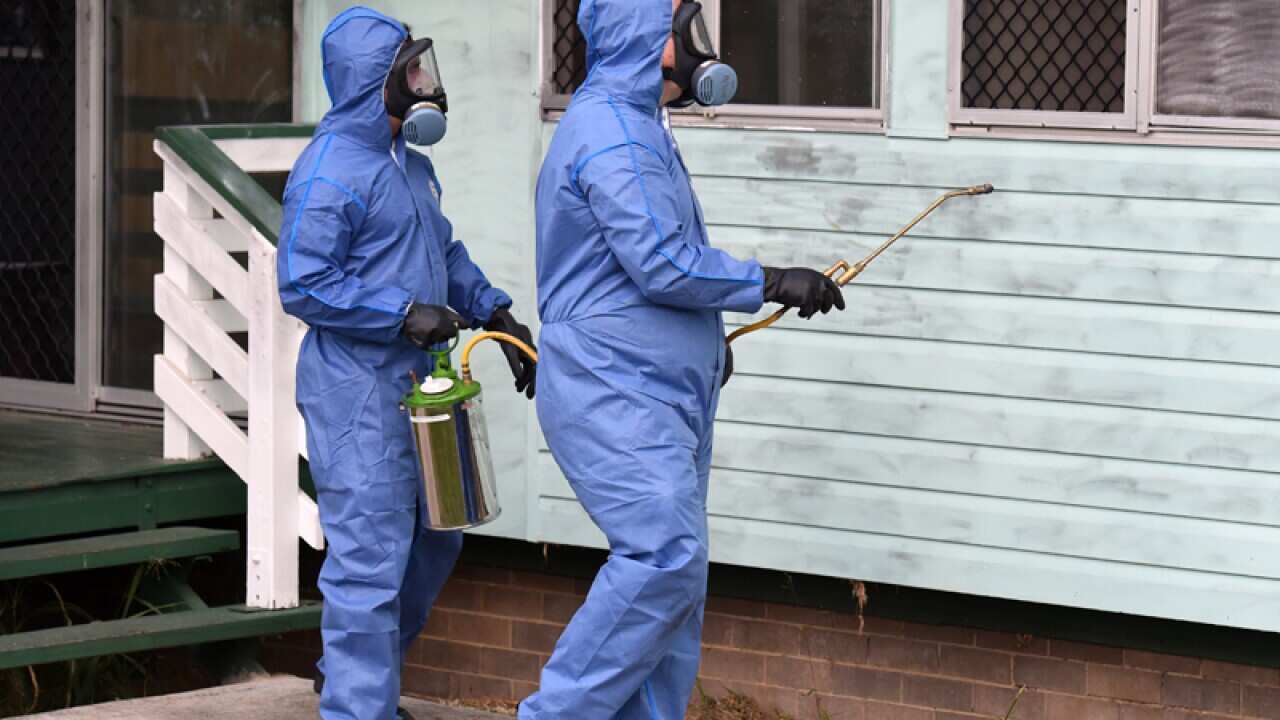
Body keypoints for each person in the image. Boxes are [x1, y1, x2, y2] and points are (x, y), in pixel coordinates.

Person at [520, 0, 845, 717]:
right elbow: (660, 263)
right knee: (662, 558)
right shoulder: (610, 134)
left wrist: (703, 348)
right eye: (686, 27)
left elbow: (637, 275)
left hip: (658, 388)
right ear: (648, 38)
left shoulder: (641, 129)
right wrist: (766, 281)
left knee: (677, 584)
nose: (701, 44)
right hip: (614, 388)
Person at [277, 7, 535, 720]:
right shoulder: (328, 173)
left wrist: (493, 309)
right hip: (357, 394)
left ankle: (356, 681)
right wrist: (398, 313)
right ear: (375, 82)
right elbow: (303, 282)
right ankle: (360, 709)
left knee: (435, 540)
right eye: (411, 71)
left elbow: (443, 254)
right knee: (370, 559)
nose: (426, 83)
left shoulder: (411, 167)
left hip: (426, 387)